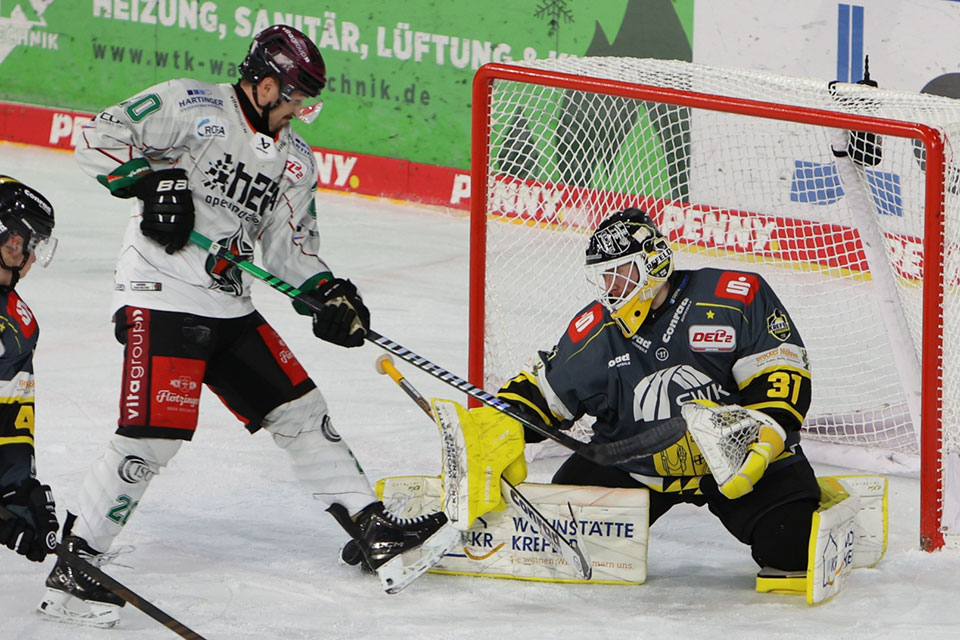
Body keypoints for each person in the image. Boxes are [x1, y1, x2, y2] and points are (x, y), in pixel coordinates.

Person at [38, 25, 451, 627]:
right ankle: (76, 565)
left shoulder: (295, 160)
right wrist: (149, 183)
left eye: (308, 102)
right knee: (153, 436)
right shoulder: (190, 104)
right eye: (294, 97)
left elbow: (291, 249)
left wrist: (327, 292)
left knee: (303, 413)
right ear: (261, 83)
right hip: (162, 293)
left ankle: (373, 531)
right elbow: (100, 136)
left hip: (229, 305)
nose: (300, 112)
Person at [471, 207, 820, 577]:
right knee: (562, 539)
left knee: (792, 548)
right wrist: (501, 418)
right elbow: (547, 393)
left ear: (654, 262)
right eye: (605, 277)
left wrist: (763, 445)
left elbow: (782, 373)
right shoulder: (597, 329)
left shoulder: (734, 297)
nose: (612, 288)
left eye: (621, 272)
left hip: (738, 458)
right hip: (636, 464)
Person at [0, 176, 59, 564]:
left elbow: (11, 416)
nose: (33, 257)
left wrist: (17, 490)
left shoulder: (18, 326)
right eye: (28, 243)